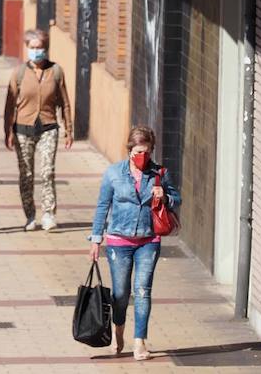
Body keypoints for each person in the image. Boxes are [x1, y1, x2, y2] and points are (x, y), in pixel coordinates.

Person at [88, 126, 181, 361]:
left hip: (149, 240)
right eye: (138, 151)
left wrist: (166, 197)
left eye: (147, 152)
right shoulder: (113, 173)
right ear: (130, 150)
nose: (142, 156)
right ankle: (118, 329)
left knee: (142, 290)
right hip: (119, 240)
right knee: (120, 293)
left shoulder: (159, 173)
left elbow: (176, 198)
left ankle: (139, 342)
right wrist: (96, 239)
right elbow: (102, 206)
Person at [3, 28, 73, 232]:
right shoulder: (19, 73)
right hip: (23, 129)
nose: (36, 51)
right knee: (26, 174)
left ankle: (49, 214)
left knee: (47, 171)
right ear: (27, 48)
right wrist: (7, 130)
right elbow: (9, 104)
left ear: (46, 48)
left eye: (40, 47)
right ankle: (30, 215)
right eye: (33, 47)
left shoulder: (56, 71)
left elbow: (65, 103)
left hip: (48, 127)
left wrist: (69, 129)